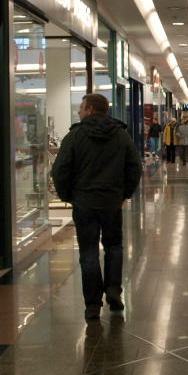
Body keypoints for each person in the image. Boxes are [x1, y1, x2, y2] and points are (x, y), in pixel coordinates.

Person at [51, 93, 142, 322]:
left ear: (90, 109)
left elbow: (60, 169)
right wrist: (124, 193)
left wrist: (67, 195)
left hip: (84, 202)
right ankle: (113, 289)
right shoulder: (120, 135)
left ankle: (92, 304)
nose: (79, 113)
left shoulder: (75, 136)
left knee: (88, 252)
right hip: (111, 201)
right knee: (114, 246)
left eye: (81, 108)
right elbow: (134, 167)